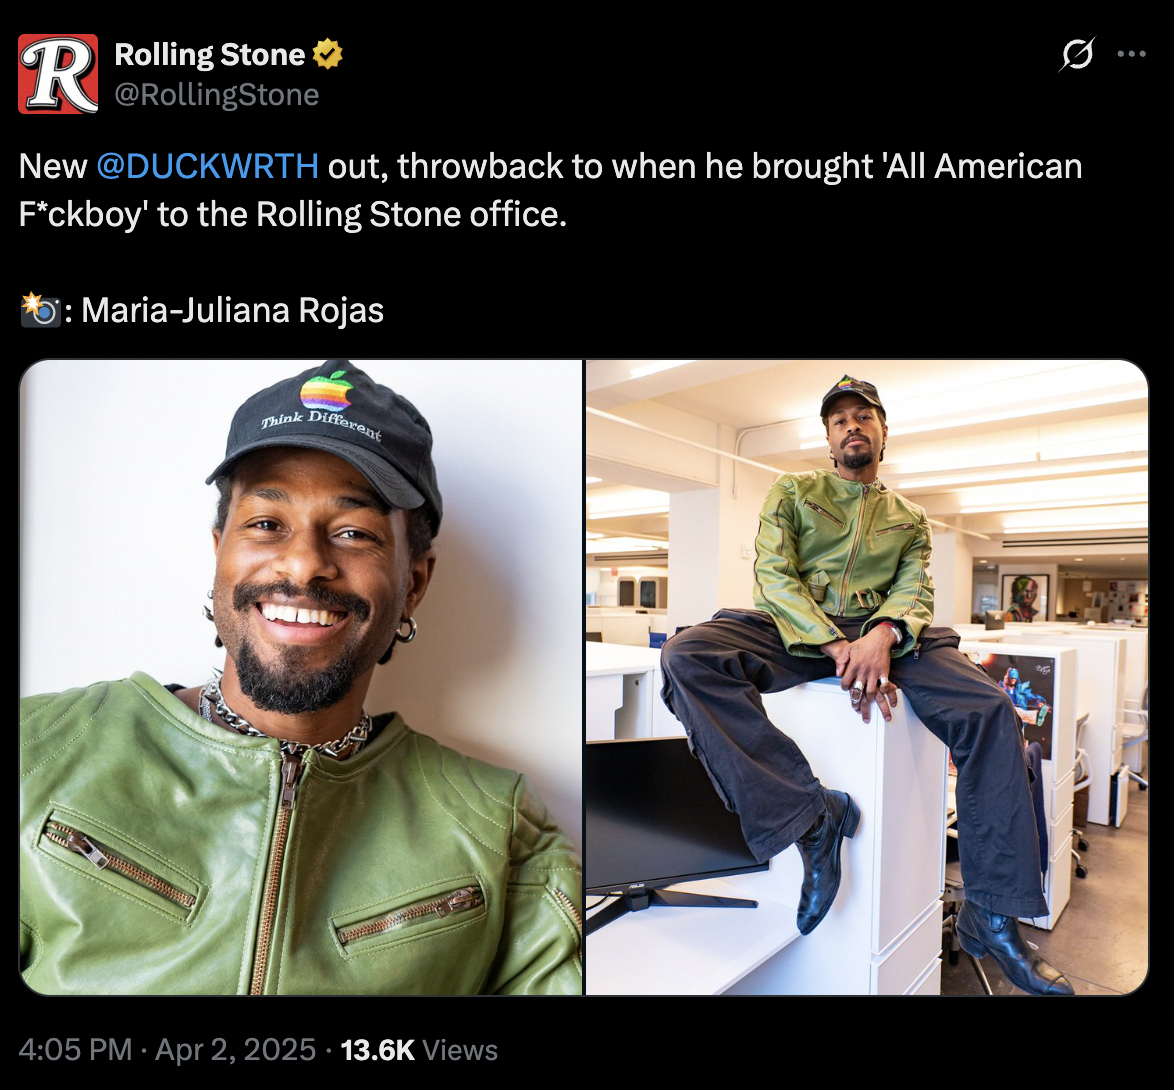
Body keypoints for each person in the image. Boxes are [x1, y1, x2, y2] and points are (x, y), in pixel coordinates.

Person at [19, 362, 582, 995]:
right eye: (265, 523)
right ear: (219, 555)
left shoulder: (503, 831)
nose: (305, 563)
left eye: (353, 532)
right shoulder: (38, 749)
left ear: (413, 586)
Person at [660, 375, 1073, 996]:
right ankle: (811, 816)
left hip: (892, 639)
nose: (851, 426)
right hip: (800, 631)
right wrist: (834, 644)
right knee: (687, 655)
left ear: (883, 432)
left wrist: (881, 635)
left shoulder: (908, 518)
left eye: (864, 416)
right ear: (829, 440)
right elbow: (774, 574)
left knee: (992, 711)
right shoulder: (794, 491)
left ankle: (991, 912)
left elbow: (916, 589)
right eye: (839, 420)